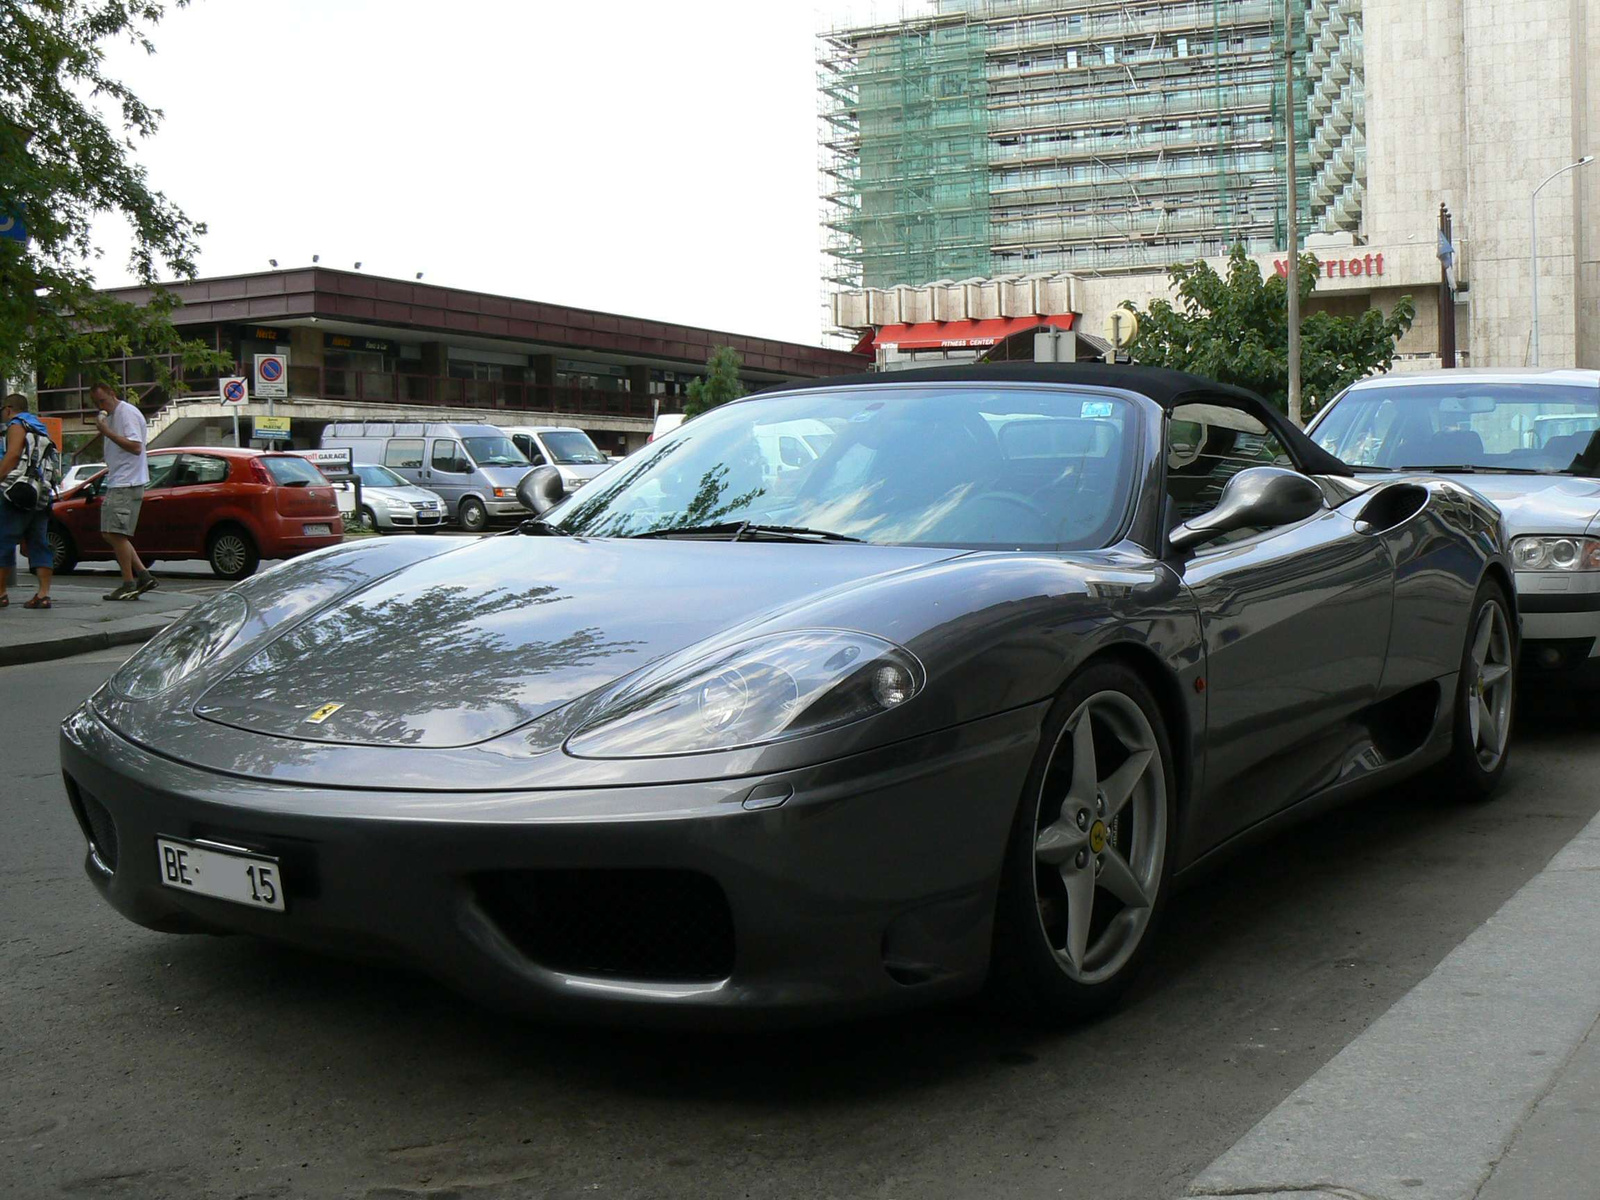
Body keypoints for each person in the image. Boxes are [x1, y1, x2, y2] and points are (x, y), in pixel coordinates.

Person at [91, 383, 158, 600]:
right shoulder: (114, 415)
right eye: (97, 403)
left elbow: (136, 446)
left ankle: (129, 583)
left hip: (125, 483)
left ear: (112, 393)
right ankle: (143, 574)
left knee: (113, 533)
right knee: (113, 533)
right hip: (122, 480)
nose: (101, 406)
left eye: (103, 401)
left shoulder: (126, 413)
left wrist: (106, 432)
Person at [0, 395, 55, 609]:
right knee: (38, 542)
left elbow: (13, 455)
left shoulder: (17, 424)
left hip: (17, 492)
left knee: (3, 541)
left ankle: (1, 593)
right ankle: (43, 595)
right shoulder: (39, 427)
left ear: (9, 409)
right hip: (40, 493)